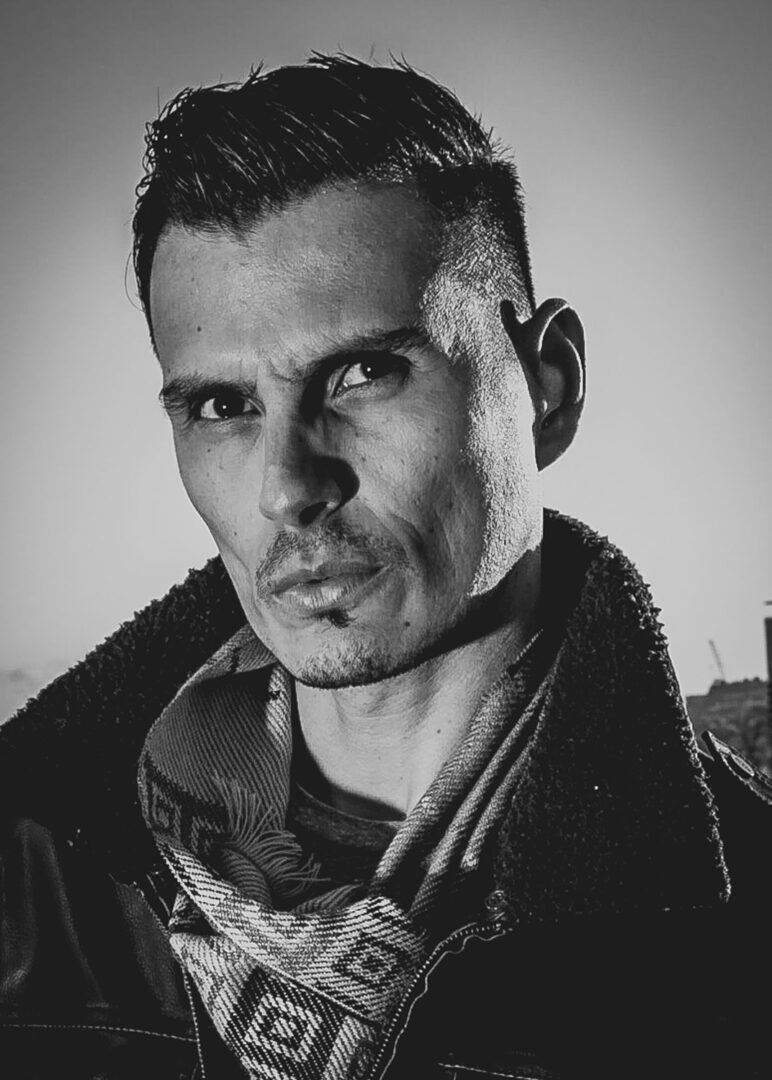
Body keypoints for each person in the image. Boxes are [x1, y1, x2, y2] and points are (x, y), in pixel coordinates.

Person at [1, 54, 770, 1080]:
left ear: (547, 384)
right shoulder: (30, 884)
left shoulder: (740, 946)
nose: (288, 487)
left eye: (364, 372)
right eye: (223, 406)